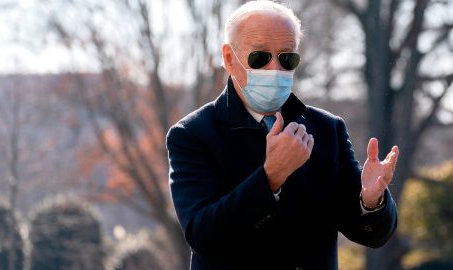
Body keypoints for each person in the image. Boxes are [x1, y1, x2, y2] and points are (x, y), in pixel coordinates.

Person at [166, 1, 400, 269]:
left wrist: (371, 201)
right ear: (229, 58)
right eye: (260, 57)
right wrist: (269, 178)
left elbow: (370, 235)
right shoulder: (192, 134)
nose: (274, 69)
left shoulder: (326, 129)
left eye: (287, 57)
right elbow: (203, 236)